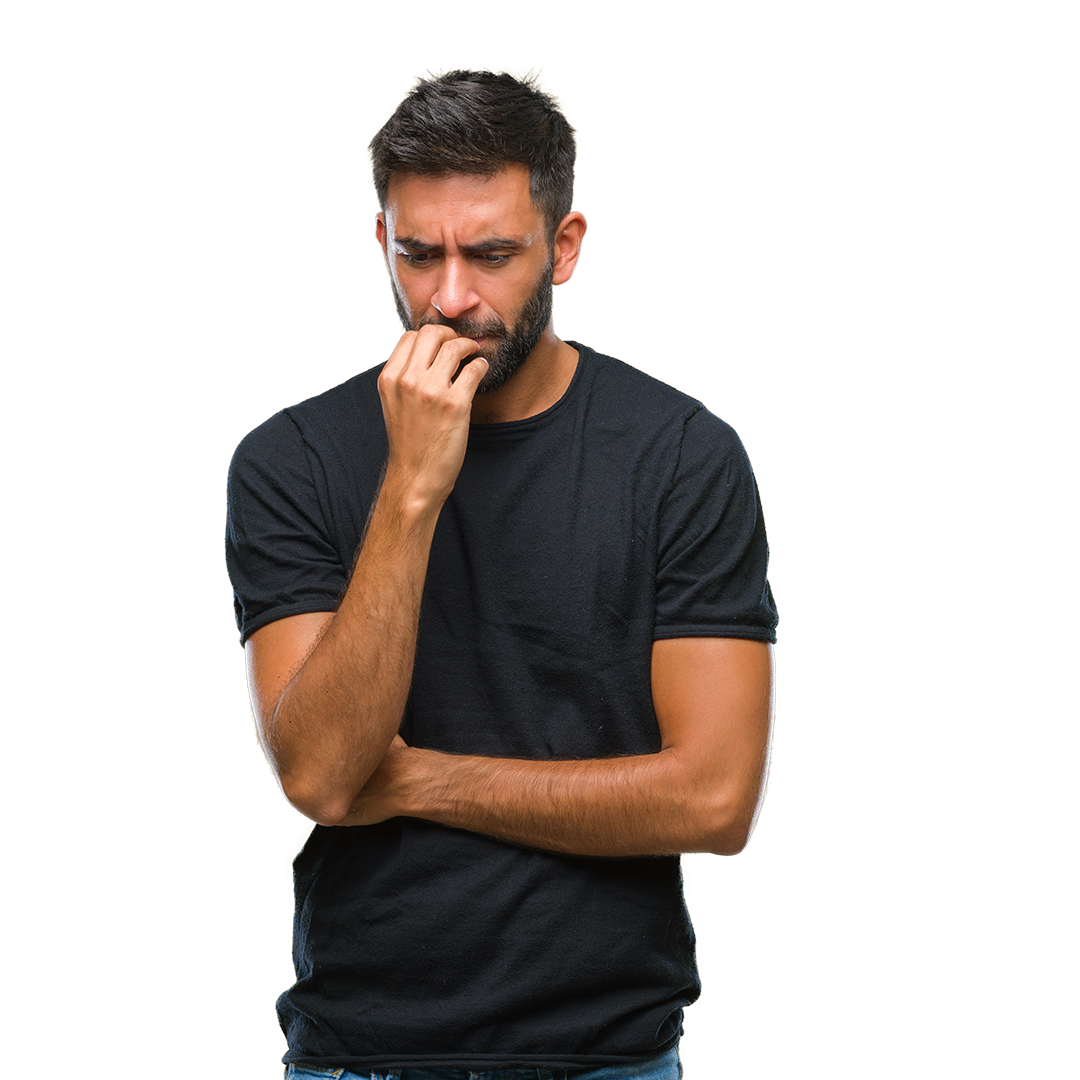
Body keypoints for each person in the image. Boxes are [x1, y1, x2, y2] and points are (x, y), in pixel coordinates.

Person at [226, 69, 778, 1080]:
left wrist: (418, 778)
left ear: (563, 246)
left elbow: (714, 801)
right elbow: (323, 776)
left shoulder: (683, 455)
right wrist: (411, 490)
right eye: (417, 254)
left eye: (490, 255)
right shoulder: (290, 460)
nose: (449, 299)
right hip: (363, 1053)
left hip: (609, 1056)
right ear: (382, 241)